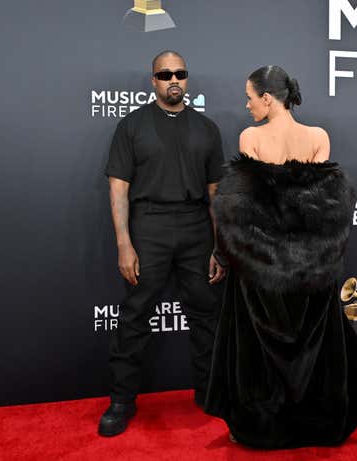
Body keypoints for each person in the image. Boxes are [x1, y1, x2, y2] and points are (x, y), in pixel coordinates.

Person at [204, 66, 357, 449]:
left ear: (268, 99)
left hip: (260, 270)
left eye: (250, 97)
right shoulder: (318, 137)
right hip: (311, 268)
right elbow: (319, 210)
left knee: (260, 355)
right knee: (312, 350)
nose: (247, 104)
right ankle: (313, 425)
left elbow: (244, 211)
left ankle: (263, 428)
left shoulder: (251, 137)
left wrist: (224, 253)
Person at [99, 50, 227, 437]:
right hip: (148, 227)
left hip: (195, 227)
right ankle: (122, 400)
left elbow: (216, 193)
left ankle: (210, 393)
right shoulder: (132, 125)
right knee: (136, 315)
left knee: (207, 315)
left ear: (187, 79)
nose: (174, 79)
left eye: (180, 73)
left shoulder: (207, 129)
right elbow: (118, 188)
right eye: (165, 74)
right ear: (152, 80)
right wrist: (124, 244)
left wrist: (219, 246)